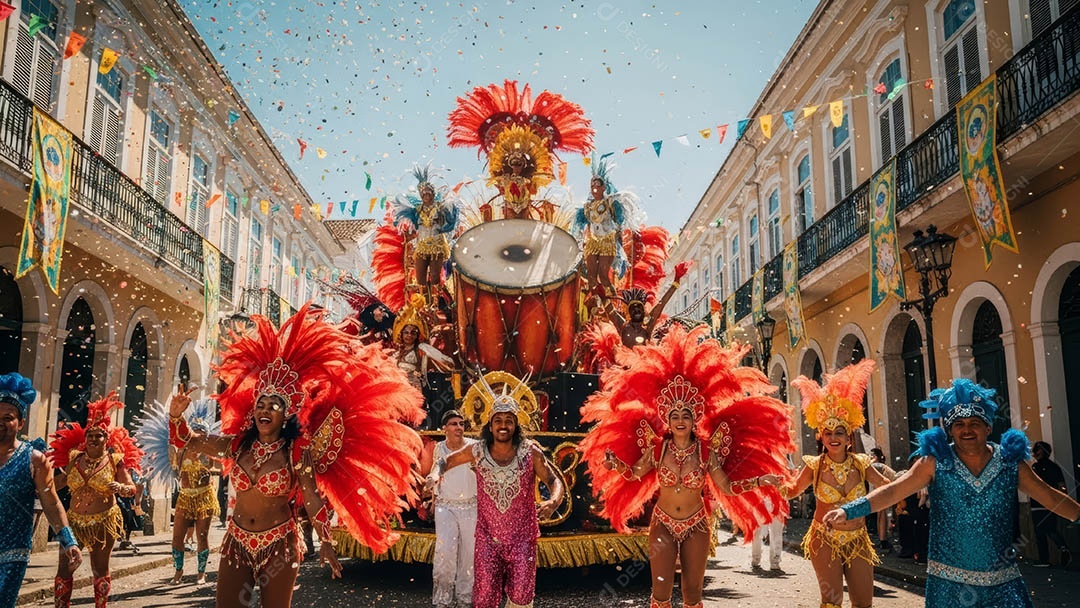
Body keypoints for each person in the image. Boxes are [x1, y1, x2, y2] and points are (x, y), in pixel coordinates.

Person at [169, 304, 426, 607]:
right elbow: (190, 442)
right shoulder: (237, 444)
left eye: (272, 406)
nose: (264, 410)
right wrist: (175, 418)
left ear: (286, 414)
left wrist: (326, 542)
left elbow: (312, 496)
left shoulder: (296, 451)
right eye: (260, 405)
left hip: (280, 545)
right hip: (236, 542)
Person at [580, 324, 794, 608]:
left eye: (686, 414)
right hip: (663, 523)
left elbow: (727, 487)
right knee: (660, 594)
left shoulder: (707, 450)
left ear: (695, 418)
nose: (680, 419)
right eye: (675, 414)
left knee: (693, 593)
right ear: (667, 418)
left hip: (697, 524)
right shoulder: (657, 447)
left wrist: (761, 480)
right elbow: (634, 474)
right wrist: (616, 464)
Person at [824, 379, 1080, 607]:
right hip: (950, 587)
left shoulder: (1010, 462)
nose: (967, 430)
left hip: (1003, 586)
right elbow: (892, 492)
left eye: (974, 423)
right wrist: (848, 509)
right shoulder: (935, 462)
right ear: (950, 429)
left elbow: (1050, 497)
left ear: (988, 428)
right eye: (959, 424)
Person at [427, 372, 565, 608]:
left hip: (523, 539)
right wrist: (434, 475)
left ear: (515, 424)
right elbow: (445, 461)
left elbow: (554, 481)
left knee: (521, 597)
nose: (503, 425)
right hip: (487, 539)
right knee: (483, 599)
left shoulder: (529, 452)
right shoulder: (478, 450)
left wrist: (553, 502)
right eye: (498, 420)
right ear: (490, 425)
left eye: (508, 420)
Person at [782, 359, 892, 608]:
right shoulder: (814, 466)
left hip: (858, 538)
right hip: (824, 539)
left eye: (839, 432)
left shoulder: (862, 464)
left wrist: (915, 481)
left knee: (863, 603)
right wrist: (765, 483)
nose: (834, 438)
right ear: (821, 436)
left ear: (848, 436)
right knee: (832, 602)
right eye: (828, 433)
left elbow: (888, 487)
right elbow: (792, 491)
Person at [50, 392, 144, 608]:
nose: (93, 439)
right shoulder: (75, 459)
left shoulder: (114, 461)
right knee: (65, 568)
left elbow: (131, 488)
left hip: (103, 522)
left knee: (99, 569)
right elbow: (61, 482)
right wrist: (40, 483)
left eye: (98, 435)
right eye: (90, 435)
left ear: (106, 439)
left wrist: (120, 487)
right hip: (72, 523)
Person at [0, 372, 81, 608]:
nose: (1, 422)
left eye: (8, 417)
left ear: (21, 422)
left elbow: (51, 501)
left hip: (12, 552)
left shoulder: (34, 459)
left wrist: (69, 541)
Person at [423, 410, 477, 608]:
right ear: (444, 428)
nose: (459, 427)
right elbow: (437, 470)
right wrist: (432, 493)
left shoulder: (473, 446)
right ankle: (442, 600)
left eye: (461, 424)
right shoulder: (440, 448)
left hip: (471, 506)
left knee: (469, 555)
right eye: (454, 424)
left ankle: (465, 598)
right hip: (446, 507)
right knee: (445, 553)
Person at [572, 155, 639, 296]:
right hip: (592, 243)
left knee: (603, 276)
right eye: (592, 186)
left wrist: (619, 235)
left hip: (607, 242)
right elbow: (578, 226)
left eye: (597, 185)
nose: (594, 188)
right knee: (591, 276)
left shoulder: (611, 203)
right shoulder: (586, 208)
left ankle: (611, 303)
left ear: (603, 187)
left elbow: (620, 222)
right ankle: (595, 305)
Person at [392, 165, 459, 303]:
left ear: (433, 194)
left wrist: (443, 222)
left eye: (428, 192)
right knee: (420, 278)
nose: (426, 195)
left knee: (434, 277)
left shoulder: (440, 207)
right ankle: (424, 304)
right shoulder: (416, 210)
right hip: (422, 246)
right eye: (423, 193)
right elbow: (407, 225)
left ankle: (436, 304)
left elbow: (450, 221)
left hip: (437, 245)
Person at [604, 260, 689, 349]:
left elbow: (662, 303)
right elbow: (609, 309)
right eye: (633, 308)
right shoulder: (623, 325)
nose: (637, 310)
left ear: (644, 310)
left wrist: (676, 282)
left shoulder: (648, 325)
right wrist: (601, 288)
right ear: (629, 312)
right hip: (624, 361)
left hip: (645, 361)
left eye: (639, 307)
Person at [392, 293, 455, 390]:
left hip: (414, 390)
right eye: (406, 332)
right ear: (401, 334)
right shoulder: (397, 352)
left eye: (413, 333)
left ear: (417, 335)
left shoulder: (422, 347)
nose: (409, 335)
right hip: (399, 389)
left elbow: (446, 360)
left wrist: (451, 366)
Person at [1029, 441, 1072, 567]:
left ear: (1041, 451)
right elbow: (1062, 486)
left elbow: (1032, 485)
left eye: (1037, 450)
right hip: (1052, 503)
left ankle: (1044, 559)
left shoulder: (1036, 468)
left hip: (1038, 503)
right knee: (1050, 529)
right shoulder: (1055, 467)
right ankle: (1063, 548)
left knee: (1040, 532)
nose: (1034, 453)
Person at [869, 447, 897, 553]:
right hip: (883, 492)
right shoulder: (877, 466)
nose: (870, 457)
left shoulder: (879, 467)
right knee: (881, 514)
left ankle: (883, 539)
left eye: (872, 456)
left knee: (882, 514)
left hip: (886, 491)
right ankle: (883, 539)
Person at [751, 497, 785, 571]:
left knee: (776, 531)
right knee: (757, 531)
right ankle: (756, 558)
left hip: (777, 498)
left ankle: (775, 561)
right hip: (760, 498)